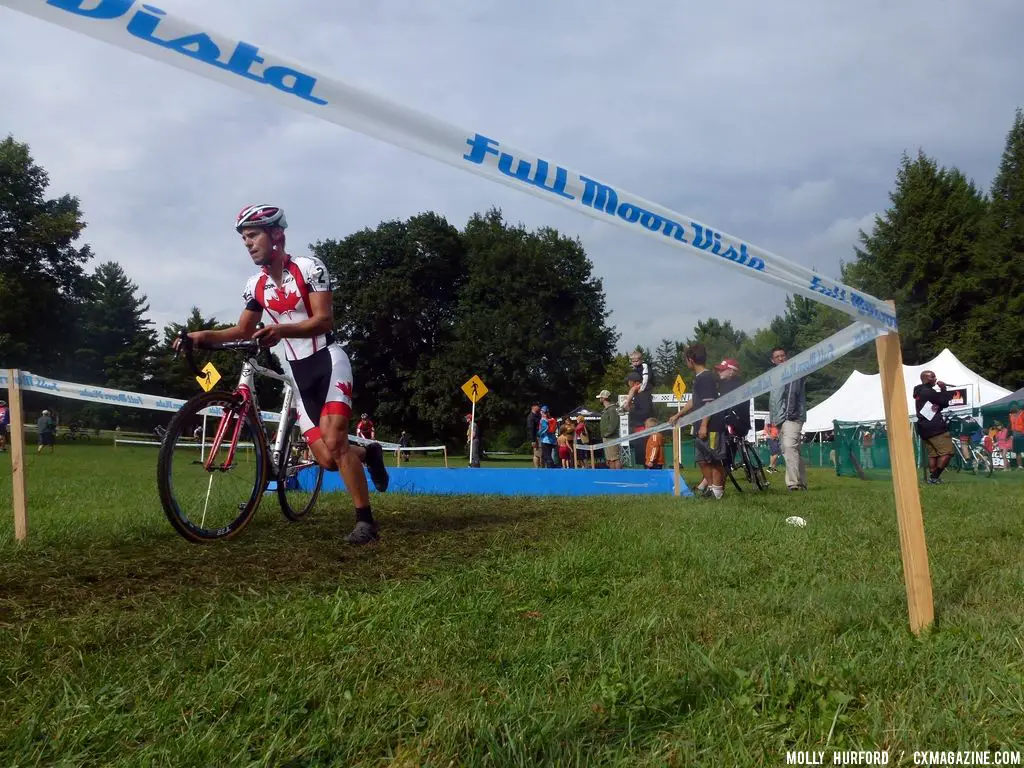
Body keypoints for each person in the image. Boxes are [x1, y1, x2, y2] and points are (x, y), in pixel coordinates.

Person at [173, 204, 389, 545]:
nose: (248, 243)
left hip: (327, 361)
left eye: (253, 234)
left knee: (335, 442)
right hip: (298, 374)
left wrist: (282, 332)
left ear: (277, 235)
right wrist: (202, 337)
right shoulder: (255, 285)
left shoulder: (308, 267)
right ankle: (368, 453)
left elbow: (323, 320)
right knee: (329, 460)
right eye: (244, 238)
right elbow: (243, 330)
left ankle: (366, 523)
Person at [669, 343, 726, 498]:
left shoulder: (706, 377)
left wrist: (703, 425)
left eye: (686, 359)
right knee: (701, 460)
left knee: (715, 459)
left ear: (691, 359)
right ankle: (711, 487)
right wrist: (678, 415)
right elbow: (695, 401)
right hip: (700, 426)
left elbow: (709, 403)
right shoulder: (698, 378)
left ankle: (718, 492)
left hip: (711, 427)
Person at [769, 346, 808, 491]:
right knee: (794, 449)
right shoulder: (774, 376)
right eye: (777, 357)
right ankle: (802, 482)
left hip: (792, 416)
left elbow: (793, 393)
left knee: (788, 447)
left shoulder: (793, 371)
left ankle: (793, 483)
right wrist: (773, 421)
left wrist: (789, 414)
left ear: (787, 356)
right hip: (779, 419)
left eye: (782, 355)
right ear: (772, 360)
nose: (780, 358)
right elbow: (774, 401)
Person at [912, 370, 955, 485]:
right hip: (936, 427)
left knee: (933, 454)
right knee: (947, 452)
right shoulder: (928, 392)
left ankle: (932, 477)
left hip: (923, 427)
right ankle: (934, 478)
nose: (935, 379)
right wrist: (943, 389)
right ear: (926, 378)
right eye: (933, 377)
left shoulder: (919, 391)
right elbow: (944, 402)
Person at [627, 351, 654, 466]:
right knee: (641, 456)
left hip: (643, 428)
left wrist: (641, 388)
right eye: (633, 361)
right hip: (639, 428)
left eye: (637, 360)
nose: (635, 363)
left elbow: (646, 378)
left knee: (645, 456)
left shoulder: (645, 367)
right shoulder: (635, 370)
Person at [596, 390, 622, 469]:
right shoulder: (608, 409)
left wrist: (607, 433)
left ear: (604, 398)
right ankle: (613, 476)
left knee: (614, 458)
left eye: (600, 397)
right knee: (610, 459)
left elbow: (614, 423)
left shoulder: (612, 409)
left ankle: (618, 476)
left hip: (611, 437)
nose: (599, 399)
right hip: (608, 437)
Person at [525, 403, 542, 467]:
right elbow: (531, 429)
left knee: (540, 453)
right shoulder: (531, 417)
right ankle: (537, 468)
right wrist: (533, 440)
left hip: (539, 437)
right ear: (533, 407)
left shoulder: (537, 415)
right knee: (537, 453)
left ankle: (539, 467)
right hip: (536, 437)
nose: (539, 407)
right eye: (537, 406)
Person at [1009, 402, 1024, 470]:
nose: (1013, 414)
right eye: (1012, 413)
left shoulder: (1022, 414)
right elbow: (1011, 425)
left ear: (1017, 410)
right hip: (1015, 434)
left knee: (1020, 450)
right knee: (1018, 451)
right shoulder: (1011, 415)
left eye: (1014, 412)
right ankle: (1020, 466)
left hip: (1021, 433)